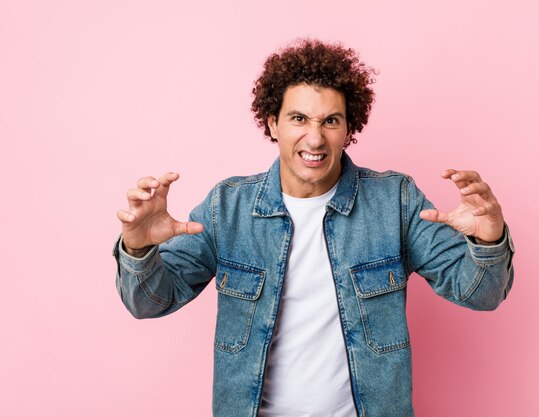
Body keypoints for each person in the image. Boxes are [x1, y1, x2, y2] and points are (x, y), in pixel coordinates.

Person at [113, 39, 514, 417]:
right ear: (273, 123)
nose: (315, 138)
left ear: (348, 127)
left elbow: (480, 294)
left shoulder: (395, 201)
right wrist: (137, 248)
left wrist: (488, 239)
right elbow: (148, 302)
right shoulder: (227, 208)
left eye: (331, 120)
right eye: (298, 118)